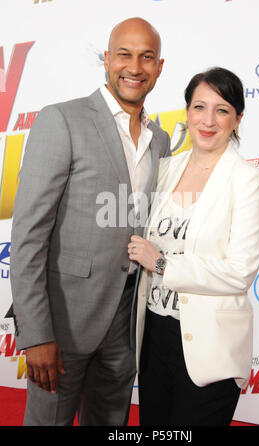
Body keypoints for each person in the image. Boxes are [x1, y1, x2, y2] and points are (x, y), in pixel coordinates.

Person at [10, 17, 170, 426]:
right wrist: (37, 335)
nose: (135, 67)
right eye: (124, 55)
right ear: (106, 60)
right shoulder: (62, 120)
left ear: (159, 67)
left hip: (125, 328)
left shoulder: (162, 140)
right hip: (63, 325)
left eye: (146, 57)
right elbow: (28, 236)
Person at [128, 67, 259, 426]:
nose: (208, 120)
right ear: (187, 112)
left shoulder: (247, 181)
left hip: (210, 346)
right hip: (154, 335)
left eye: (221, 110)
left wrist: (162, 265)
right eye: (199, 107)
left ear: (237, 119)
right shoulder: (164, 169)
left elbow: (239, 272)